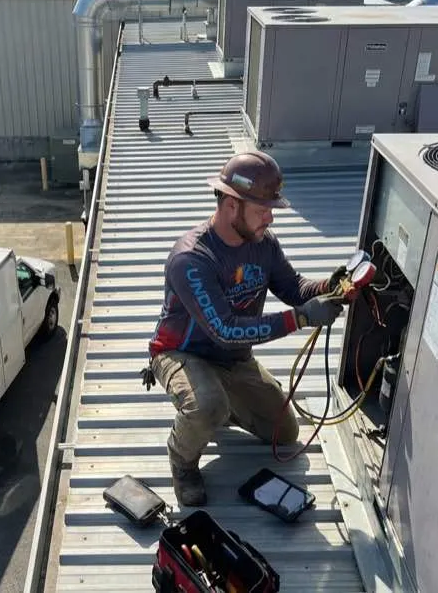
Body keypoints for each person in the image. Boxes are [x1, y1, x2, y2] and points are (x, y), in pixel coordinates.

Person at [147, 151, 347, 506]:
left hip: (234, 359)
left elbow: (293, 287)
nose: (270, 218)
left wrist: (328, 288)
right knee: (207, 405)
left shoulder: (263, 244)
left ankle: (218, 406)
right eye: (261, 210)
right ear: (230, 206)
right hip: (183, 354)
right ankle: (182, 458)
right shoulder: (191, 258)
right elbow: (224, 329)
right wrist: (300, 318)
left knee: (285, 433)